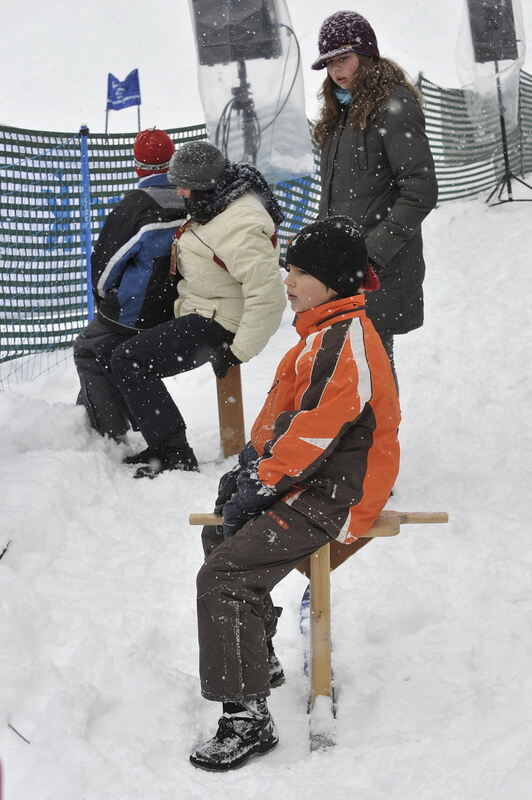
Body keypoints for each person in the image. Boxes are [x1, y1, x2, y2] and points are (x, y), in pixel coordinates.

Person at [189, 216, 400, 771]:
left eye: (301, 272)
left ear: (333, 283)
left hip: (338, 492)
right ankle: (255, 658)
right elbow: (285, 417)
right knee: (222, 532)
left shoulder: (342, 343)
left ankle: (247, 719)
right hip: (313, 478)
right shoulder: (321, 333)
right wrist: (250, 466)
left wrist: (263, 482)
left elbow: (312, 434)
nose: (288, 279)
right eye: (290, 268)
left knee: (226, 574)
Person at [110, 141, 286, 478]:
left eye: (182, 186)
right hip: (203, 307)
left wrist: (237, 352)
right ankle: (158, 439)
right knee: (111, 348)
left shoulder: (240, 223)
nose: (178, 192)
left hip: (221, 322)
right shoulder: (217, 203)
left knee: (129, 359)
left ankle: (173, 452)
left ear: (203, 185)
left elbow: (268, 294)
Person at [312, 10, 438, 383]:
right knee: (351, 362)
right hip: (343, 264)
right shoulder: (340, 112)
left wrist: (372, 255)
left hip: (381, 266)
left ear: (366, 55)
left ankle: (381, 440)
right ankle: (362, 437)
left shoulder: (393, 106)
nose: (337, 70)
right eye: (330, 62)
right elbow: (337, 194)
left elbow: (420, 190)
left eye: (344, 58)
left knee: (374, 361)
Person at [73, 128, 185, 440]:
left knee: (88, 347)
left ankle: (106, 433)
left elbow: (106, 266)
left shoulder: (135, 207)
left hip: (139, 315)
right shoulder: (189, 197)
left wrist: (103, 297)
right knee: (108, 349)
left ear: (137, 166)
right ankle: (93, 424)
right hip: (182, 309)